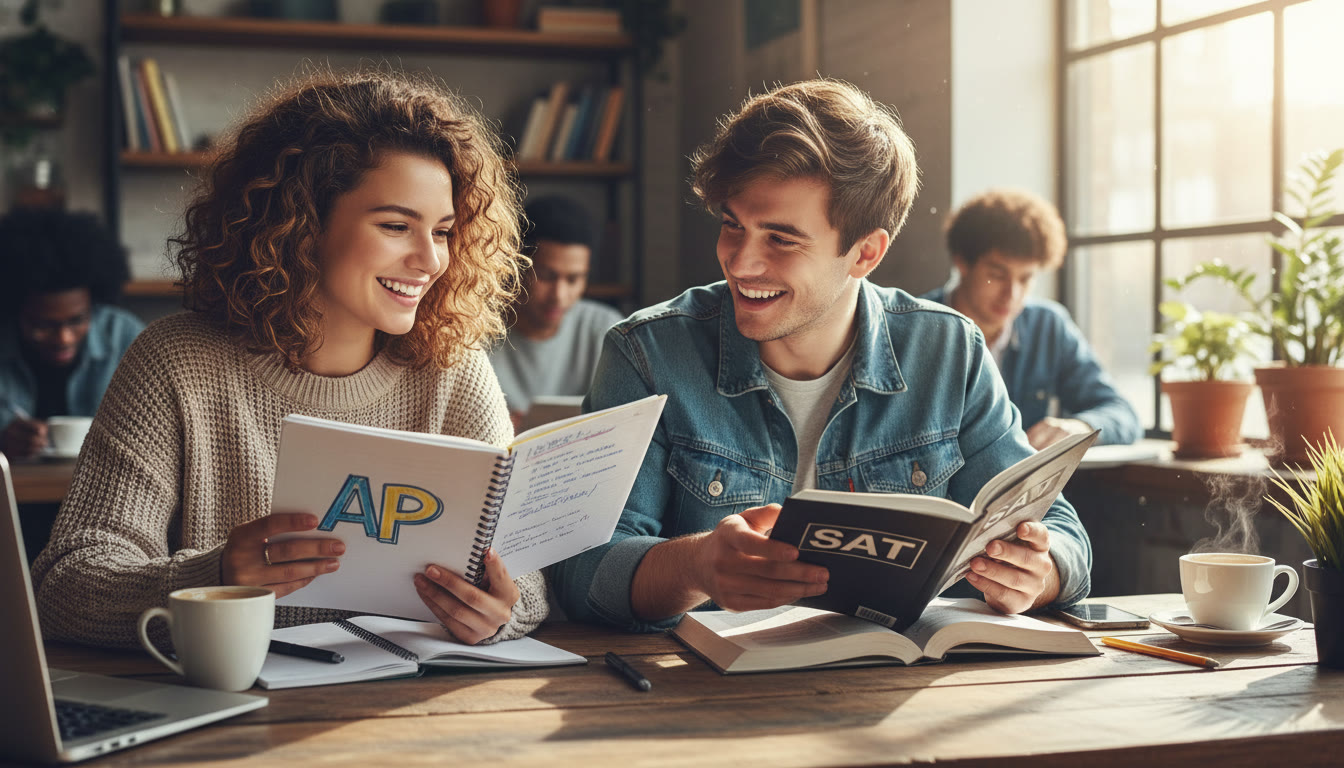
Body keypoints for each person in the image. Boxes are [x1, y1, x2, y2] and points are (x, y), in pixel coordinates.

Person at [32, 69, 547, 649]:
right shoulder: (175, 363)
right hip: (230, 712)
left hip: (404, 710)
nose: (431, 260)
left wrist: (502, 610)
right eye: (397, 225)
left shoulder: (452, 367)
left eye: (445, 232)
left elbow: (524, 576)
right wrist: (219, 578)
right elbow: (65, 588)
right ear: (301, 226)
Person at [551, 79, 1091, 632]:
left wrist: (1039, 572)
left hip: (893, 692)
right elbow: (579, 571)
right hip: (695, 695)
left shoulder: (950, 352)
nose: (740, 262)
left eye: (781, 239)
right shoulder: (646, 354)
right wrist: (694, 567)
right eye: (732, 224)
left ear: (865, 253)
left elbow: (1056, 528)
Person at [922, 188, 1141, 449]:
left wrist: (1079, 428)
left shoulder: (1048, 326)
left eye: (1026, 279)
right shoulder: (917, 325)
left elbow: (1122, 413)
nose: (1012, 295)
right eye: (997, 275)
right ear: (962, 263)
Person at [0, 207, 144, 460]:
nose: (64, 338)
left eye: (77, 320)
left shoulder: (125, 337)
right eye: (43, 325)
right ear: (15, 311)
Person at [489, 196, 623, 429]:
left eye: (573, 279)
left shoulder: (605, 328)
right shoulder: (478, 329)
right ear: (517, 266)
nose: (559, 295)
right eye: (547, 276)